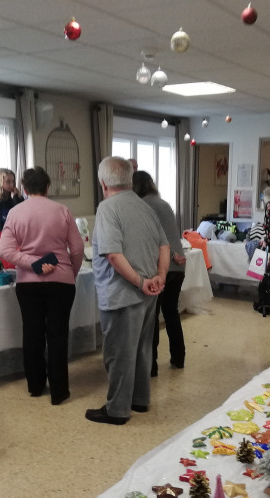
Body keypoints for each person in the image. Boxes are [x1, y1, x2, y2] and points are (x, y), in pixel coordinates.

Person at [86, 157, 168, 425]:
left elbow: (112, 255)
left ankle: (118, 410)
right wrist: (159, 277)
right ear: (130, 180)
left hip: (122, 295)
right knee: (142, 350)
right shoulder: (145, 207)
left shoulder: (107, 208)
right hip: (147, 296)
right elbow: (164, 247)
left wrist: (140, 281)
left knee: (119, 354)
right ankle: (140, 400)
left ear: (102, 183)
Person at [0, 167, 84, 405]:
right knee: (58, 335)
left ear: (24, 189)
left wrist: (32, 263)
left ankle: (35, 387)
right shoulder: (62, 211)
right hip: (61, 281)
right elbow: (77, 249)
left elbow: (4, 250)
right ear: (48, 188)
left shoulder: (15, 213)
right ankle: (59, 391)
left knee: (32, 334)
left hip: (29, 283)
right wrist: (71, 273)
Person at [132, 171, 186, 376]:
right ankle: (178, 357)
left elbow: (153, 240)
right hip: (178, 266)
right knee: (172, 312)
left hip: (161, 266)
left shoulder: (142, 206)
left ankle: (151, 365)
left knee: (152, 316)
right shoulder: (163, 203)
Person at [0, 168, 24, 255]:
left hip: (17, 242)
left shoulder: (17, 199)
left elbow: (22, 217)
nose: (12, 184)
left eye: (13, 181)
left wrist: (16, 198)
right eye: (8, 181)